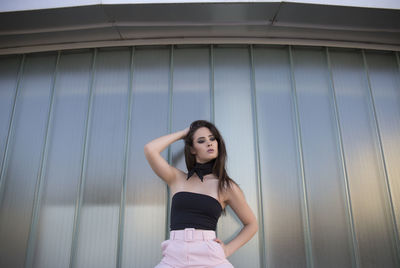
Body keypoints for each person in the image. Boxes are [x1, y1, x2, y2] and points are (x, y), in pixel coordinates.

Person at [144, 120, 258, 268]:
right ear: (192, 149)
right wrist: (184, 134)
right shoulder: (177, 178)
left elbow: (251, 224)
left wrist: (228, 249)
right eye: (201, 141)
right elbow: (150, 149)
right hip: (174, 256)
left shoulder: (225, 186)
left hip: (209, 255)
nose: (209, 143)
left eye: (212, 139)